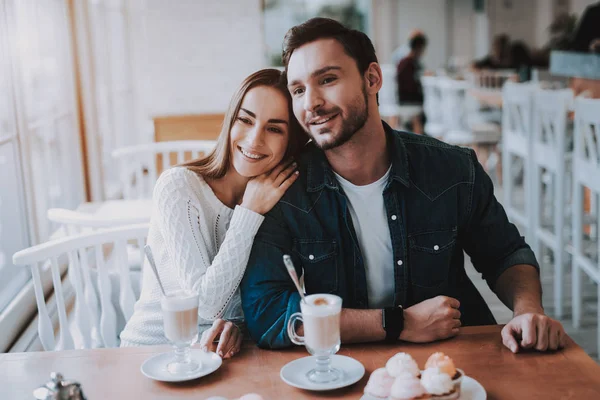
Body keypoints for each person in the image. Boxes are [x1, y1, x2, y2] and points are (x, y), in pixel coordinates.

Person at [241, 18, 566, 354]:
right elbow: (267, 312)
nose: (311, 103)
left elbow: (506, 254)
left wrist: (528, 311)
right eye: (298, 90)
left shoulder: (452, 169)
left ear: (372, 78)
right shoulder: (285, 189)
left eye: (327, 79)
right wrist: (396, 323)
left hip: (456, 359)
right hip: (345, 368)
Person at [119, 69, 307, 359]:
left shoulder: (277, 200)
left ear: (290, 142)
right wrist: (249, 211)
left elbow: (247, 301)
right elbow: (205, 304)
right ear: (230, 122)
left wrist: (237, 326)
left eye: (274, 128)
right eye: (245, 120)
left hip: (215, 358)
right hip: (150, 353)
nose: (255, 139)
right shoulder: (178, 187)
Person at [396, 32, 427, 105]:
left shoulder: (407, 62)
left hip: (405, 98)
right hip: (409, 100)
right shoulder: (408, 63)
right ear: (418, 48)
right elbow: (411, 86)